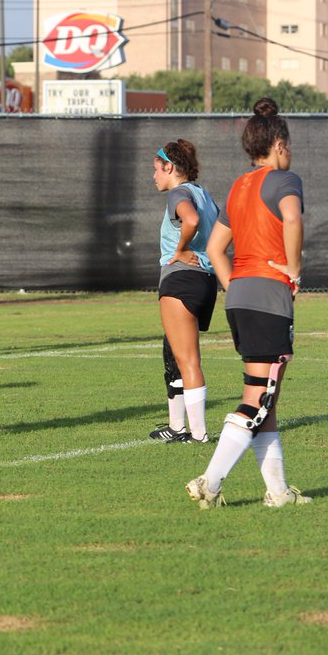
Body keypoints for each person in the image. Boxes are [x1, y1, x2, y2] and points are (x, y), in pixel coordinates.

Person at [189, 98, 311, 508]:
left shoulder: (239, 186)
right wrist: (293, 270)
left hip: (241, 296)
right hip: (267, 295)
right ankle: (210, 480)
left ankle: (278, 493)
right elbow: (292, 219)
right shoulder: (284, 179)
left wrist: (234, 284)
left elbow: (214, 248)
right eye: (288, 145)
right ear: (279, 144)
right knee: (258, 398)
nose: (289, 153)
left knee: (267, 399)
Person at [149, 139, 219, 444]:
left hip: (182, 280)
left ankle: (199, 434)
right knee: (174, 355)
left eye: (156, 169)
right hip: (204, 280)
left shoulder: (179, 192)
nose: (153, 176)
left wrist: (180, 249)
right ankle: (178, 427)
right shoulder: (205, 195)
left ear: (170, 167)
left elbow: (189, 219)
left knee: (188, 360)